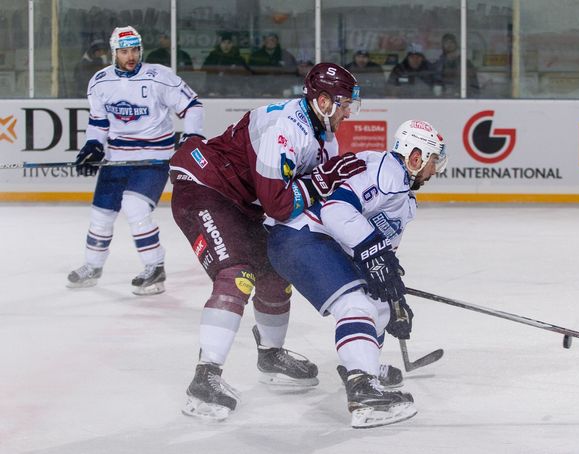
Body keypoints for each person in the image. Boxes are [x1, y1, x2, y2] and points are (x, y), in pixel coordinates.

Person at [169, 63, 365, 421]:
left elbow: (316, 205)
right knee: (237, 272)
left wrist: (356, 251)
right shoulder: (284, 128)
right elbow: (278, 203)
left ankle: (270, 354)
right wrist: (319, 186)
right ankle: (205, 376)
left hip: (241, 204)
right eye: (344, 103)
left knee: (276, 270)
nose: (349, 111)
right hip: (203, 190)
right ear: (322, 101)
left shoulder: (325, 139)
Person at [265, 120, 448, 428]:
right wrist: (372, 250)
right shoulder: (385, 171)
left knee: (376, 303)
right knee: (356, 306)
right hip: (299, 235)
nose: (435, 170)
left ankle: (364, 368)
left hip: (318, 240)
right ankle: (363, 391)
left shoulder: (404, 197)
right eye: (433, 161)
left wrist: (395, 298)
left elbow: (381, 256)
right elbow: (336, 210)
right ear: (415, 157)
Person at [66, 26, 204, 296]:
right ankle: (93, 266)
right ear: (114, 52)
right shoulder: (99, 81)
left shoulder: (159, 77)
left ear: (140, 50)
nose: (130, 56)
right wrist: (93, 145)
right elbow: (98, 122)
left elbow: (192, 106)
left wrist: (192, 137)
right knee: (101, 215)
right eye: (124, 51)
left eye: (134, 50)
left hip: (153, 159)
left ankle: (155, 267)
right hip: (117, 158)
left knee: (135, 206)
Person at [201, 32, 252, 96]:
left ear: (232, 44)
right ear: (220, 44)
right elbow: (204, 70)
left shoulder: (238, 58)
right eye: (224, 43)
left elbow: (247, 73)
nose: (226, 45)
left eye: (229, 43)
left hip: (234, 91)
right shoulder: (213, 57)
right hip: (215, 90)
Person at [432, 33, 480, 98]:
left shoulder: (465, 62)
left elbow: (474, 82)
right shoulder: (439, 63)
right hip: (444, 98)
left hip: (464, 97)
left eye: (451, 42)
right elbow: (436, 82)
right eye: (446, 42)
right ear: (443, 45)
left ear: (455, 44)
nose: (449, 45)